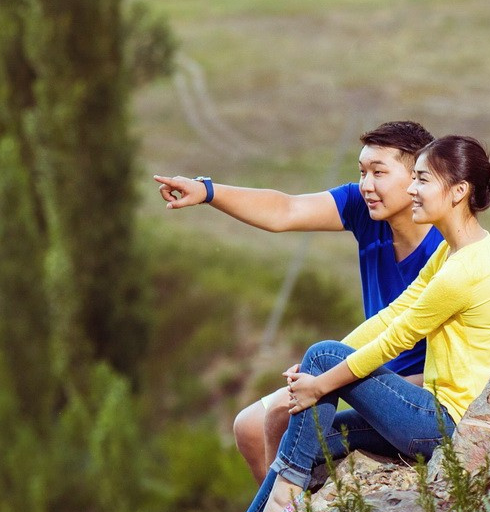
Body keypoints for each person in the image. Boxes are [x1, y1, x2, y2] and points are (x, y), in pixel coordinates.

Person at [159, 135, 490, 512]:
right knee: (317, 438)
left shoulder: (463, 269)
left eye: (421, 180)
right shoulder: (454, 250)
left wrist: (322, 378)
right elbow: (392, 314)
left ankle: (282, 511)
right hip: (428, 413)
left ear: (458, 191)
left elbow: (396, 338)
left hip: (444, 425)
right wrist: (320, 368)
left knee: (323, 359)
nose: (412, 190)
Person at [153, 120, 442, 486]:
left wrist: (341, 380)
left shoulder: (442, 252)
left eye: (379, 172)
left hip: (410, 393)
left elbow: (450, 370)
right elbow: (285, 209)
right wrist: (207, 191)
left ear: (417, 177)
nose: (366, 185)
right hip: (365, 369)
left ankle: (284, 510)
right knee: (248, 427)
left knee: (282, 417)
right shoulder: (366, 211)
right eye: (362, 172)